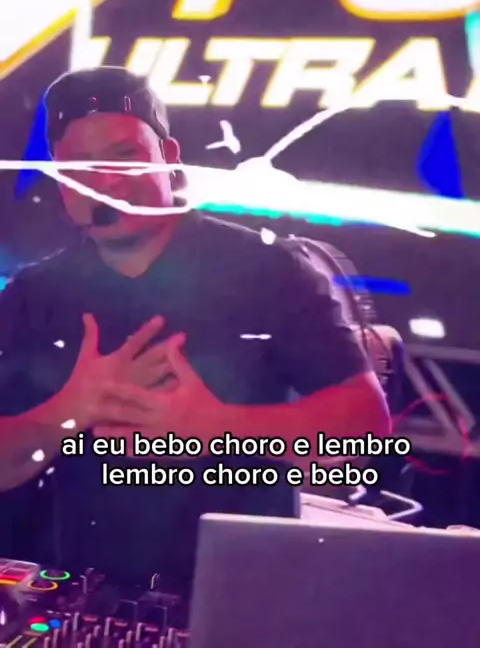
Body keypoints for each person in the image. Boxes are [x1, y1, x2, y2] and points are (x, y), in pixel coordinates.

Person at [0, 67, 389, 595]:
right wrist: (69, 412)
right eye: (81, 167)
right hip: (86, 600)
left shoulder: (267, 270)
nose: (107, 182)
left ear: (168, 155)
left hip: (244, 597)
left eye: (126, 156)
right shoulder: (35, 295)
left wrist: (219, 427)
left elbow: (365, 434)